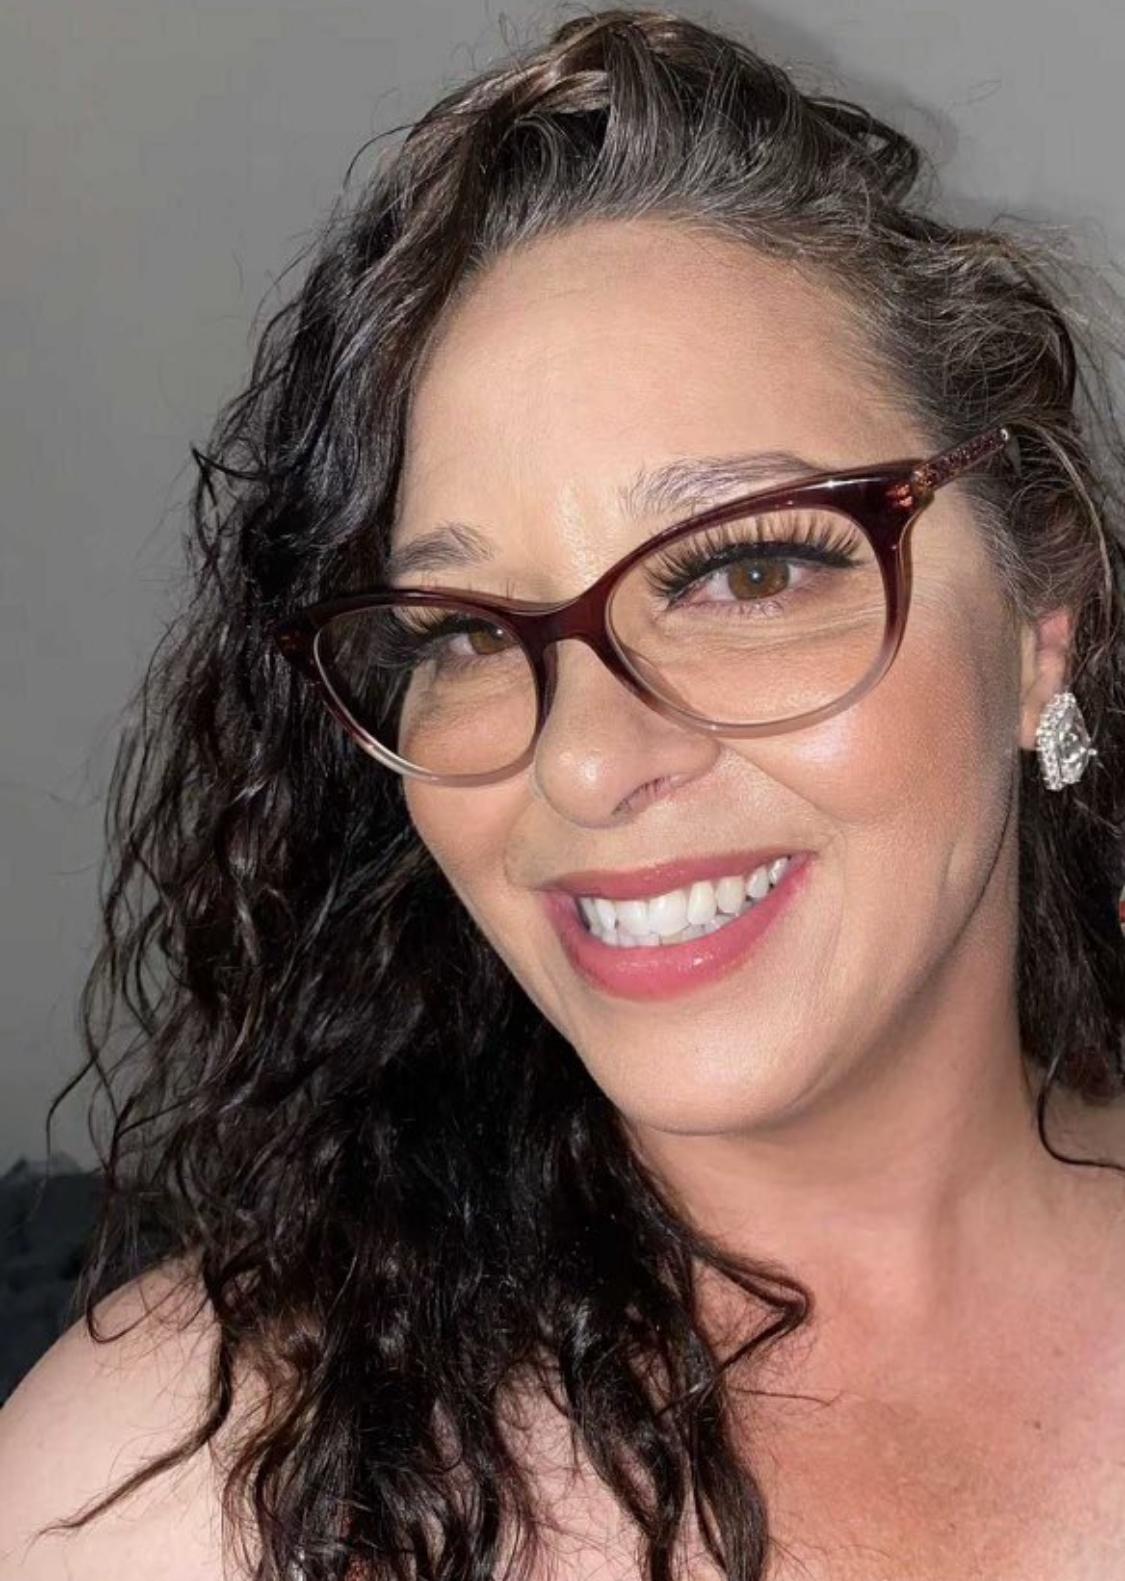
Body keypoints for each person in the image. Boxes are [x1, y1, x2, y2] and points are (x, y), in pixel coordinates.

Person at [3, 8, 1125, 1578]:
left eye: (744, 570)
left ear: (1036, 621)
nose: (584, 761)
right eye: (463, 633)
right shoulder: (167, 1487)